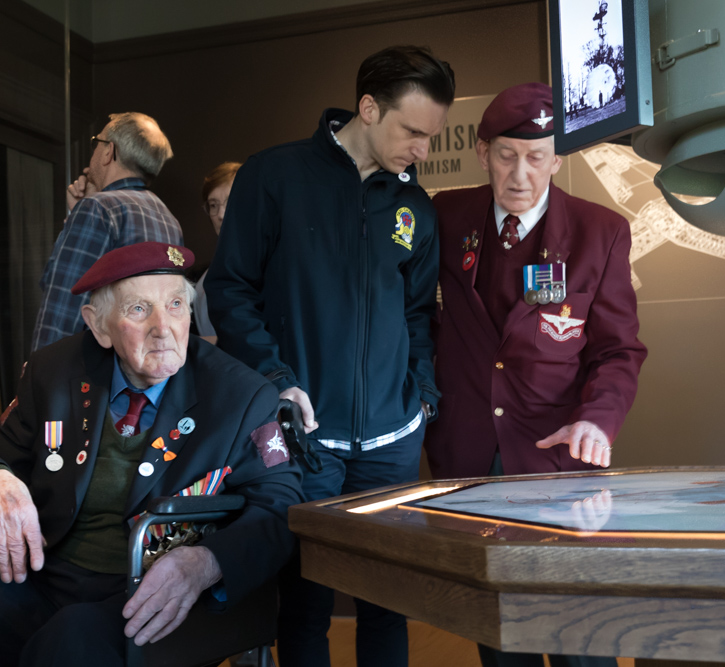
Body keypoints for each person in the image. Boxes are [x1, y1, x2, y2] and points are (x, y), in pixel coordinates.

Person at [0, 242, 304, 667]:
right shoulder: (55, 371)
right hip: (45, 580)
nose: (164, 327)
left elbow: (280, 503)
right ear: (98, 326)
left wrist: (207, 564)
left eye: (176, 304)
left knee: (73, 643)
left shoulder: (241, 394)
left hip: (157, 595)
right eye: (139, 310)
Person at [206, 45, 455, 667]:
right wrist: (275, 380)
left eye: (433, 135)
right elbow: (229, 290)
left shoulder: (414, 207)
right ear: (368, 108)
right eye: (413, 132)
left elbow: (420, 312)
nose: (423, 151)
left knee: (385, 604)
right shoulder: (274, 176)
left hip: (392, 442)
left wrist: (421, 394)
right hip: (304, 437)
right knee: (305, 606)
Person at [425, 82, 647, 667]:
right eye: (506, 155)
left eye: (537, 157)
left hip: (556, 462)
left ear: (557, 158)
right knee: (501, 638)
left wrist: (598, 421)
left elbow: (618, 349)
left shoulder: (601, 232)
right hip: (468, 463)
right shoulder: (445, 216)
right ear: (481, 152)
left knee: (580, 638)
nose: (520, 174)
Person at [31, 112, 184, 352]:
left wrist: (37, 373)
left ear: (109, 151)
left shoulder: (98, 209)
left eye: (96, 143)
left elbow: (63, 299)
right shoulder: (168, 218)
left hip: (93, 371)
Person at [194, 161, 241, 341]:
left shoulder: (270, 266)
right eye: (213, 205)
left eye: (230, 202)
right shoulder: (203, 277)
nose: (220, 214)